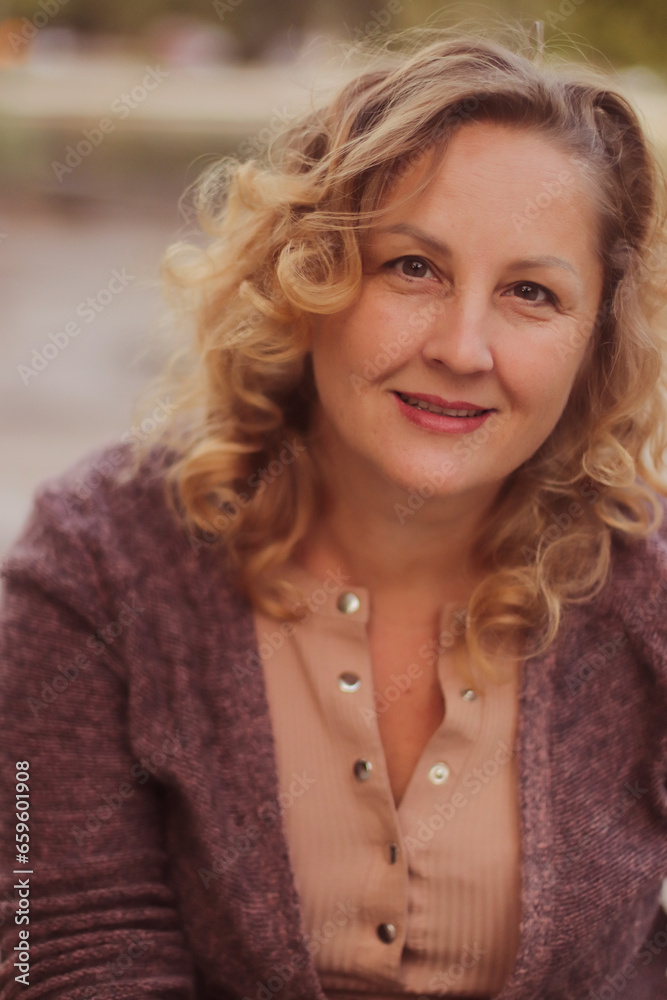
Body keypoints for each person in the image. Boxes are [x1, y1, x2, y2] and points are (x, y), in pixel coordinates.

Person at [1, 24, 667, 1000]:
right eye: (412, 268)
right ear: (306, 277)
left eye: (530, 292)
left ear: (594, 340)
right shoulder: (99, 561)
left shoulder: (648, 587)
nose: (462, 347)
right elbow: (51, 947)